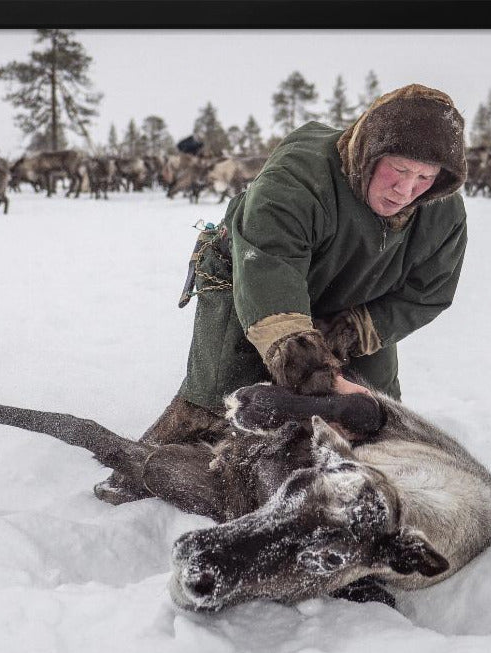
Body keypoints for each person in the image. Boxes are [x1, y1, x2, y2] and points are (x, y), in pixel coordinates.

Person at [96, 83, 468, 504]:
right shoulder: (298, 178)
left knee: (374, 414)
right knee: (219, 394)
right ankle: (131, 474)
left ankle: (357, 490)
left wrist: (353, 330)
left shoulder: (442, 213)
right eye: (398, 170)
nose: (407, 189)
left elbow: (428, 291)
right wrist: (312, 371)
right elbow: (270, 264)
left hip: (353, 304)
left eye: (425, 177)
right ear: (370, 152)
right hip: (252, 275)